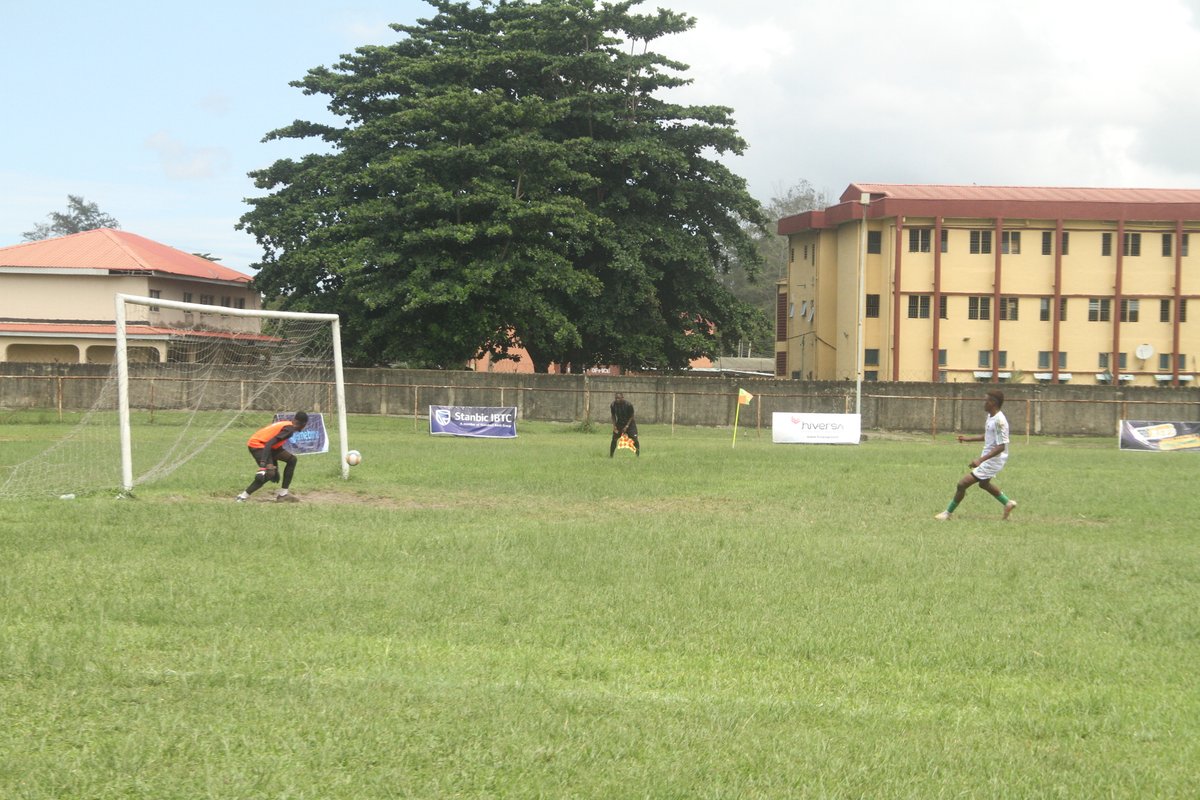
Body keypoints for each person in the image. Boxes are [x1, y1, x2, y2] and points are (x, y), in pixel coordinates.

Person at [935, 389, 1017, 521]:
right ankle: (1007, 503)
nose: (983, 403)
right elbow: (987, 436)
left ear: (993, 403)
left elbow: (1001, 446)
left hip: (993, 459)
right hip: (989, 458)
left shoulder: (1000, 421)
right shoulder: (991, 417)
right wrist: (968, 439)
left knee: (962, 484)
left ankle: (947, 513)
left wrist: (980, 460)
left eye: (986, 401)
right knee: (984, 484)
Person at [236, 412, 308, 502]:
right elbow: (269, 443)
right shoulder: (289, 429)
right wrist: (263, 466)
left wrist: (275, 466)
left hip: (266, 445)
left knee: (292, 460)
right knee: (270, 473)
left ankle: (283, 494)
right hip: (257, 445)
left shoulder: (286, 424)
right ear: (303, 424)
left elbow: (274, 444)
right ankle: (242, 497)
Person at [609, 392, 640, 457]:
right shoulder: (613, 405)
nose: (617, 399)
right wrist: (614, 426)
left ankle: (637, 455)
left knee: (635, 439)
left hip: (630, 424)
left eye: (619, 398)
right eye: (616, 398)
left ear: (622, 398)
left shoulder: (628, 405)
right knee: (614, 439)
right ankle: (611, 456)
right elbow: (613, 416)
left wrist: (627, 426)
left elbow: (632, 416)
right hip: (620, 424)